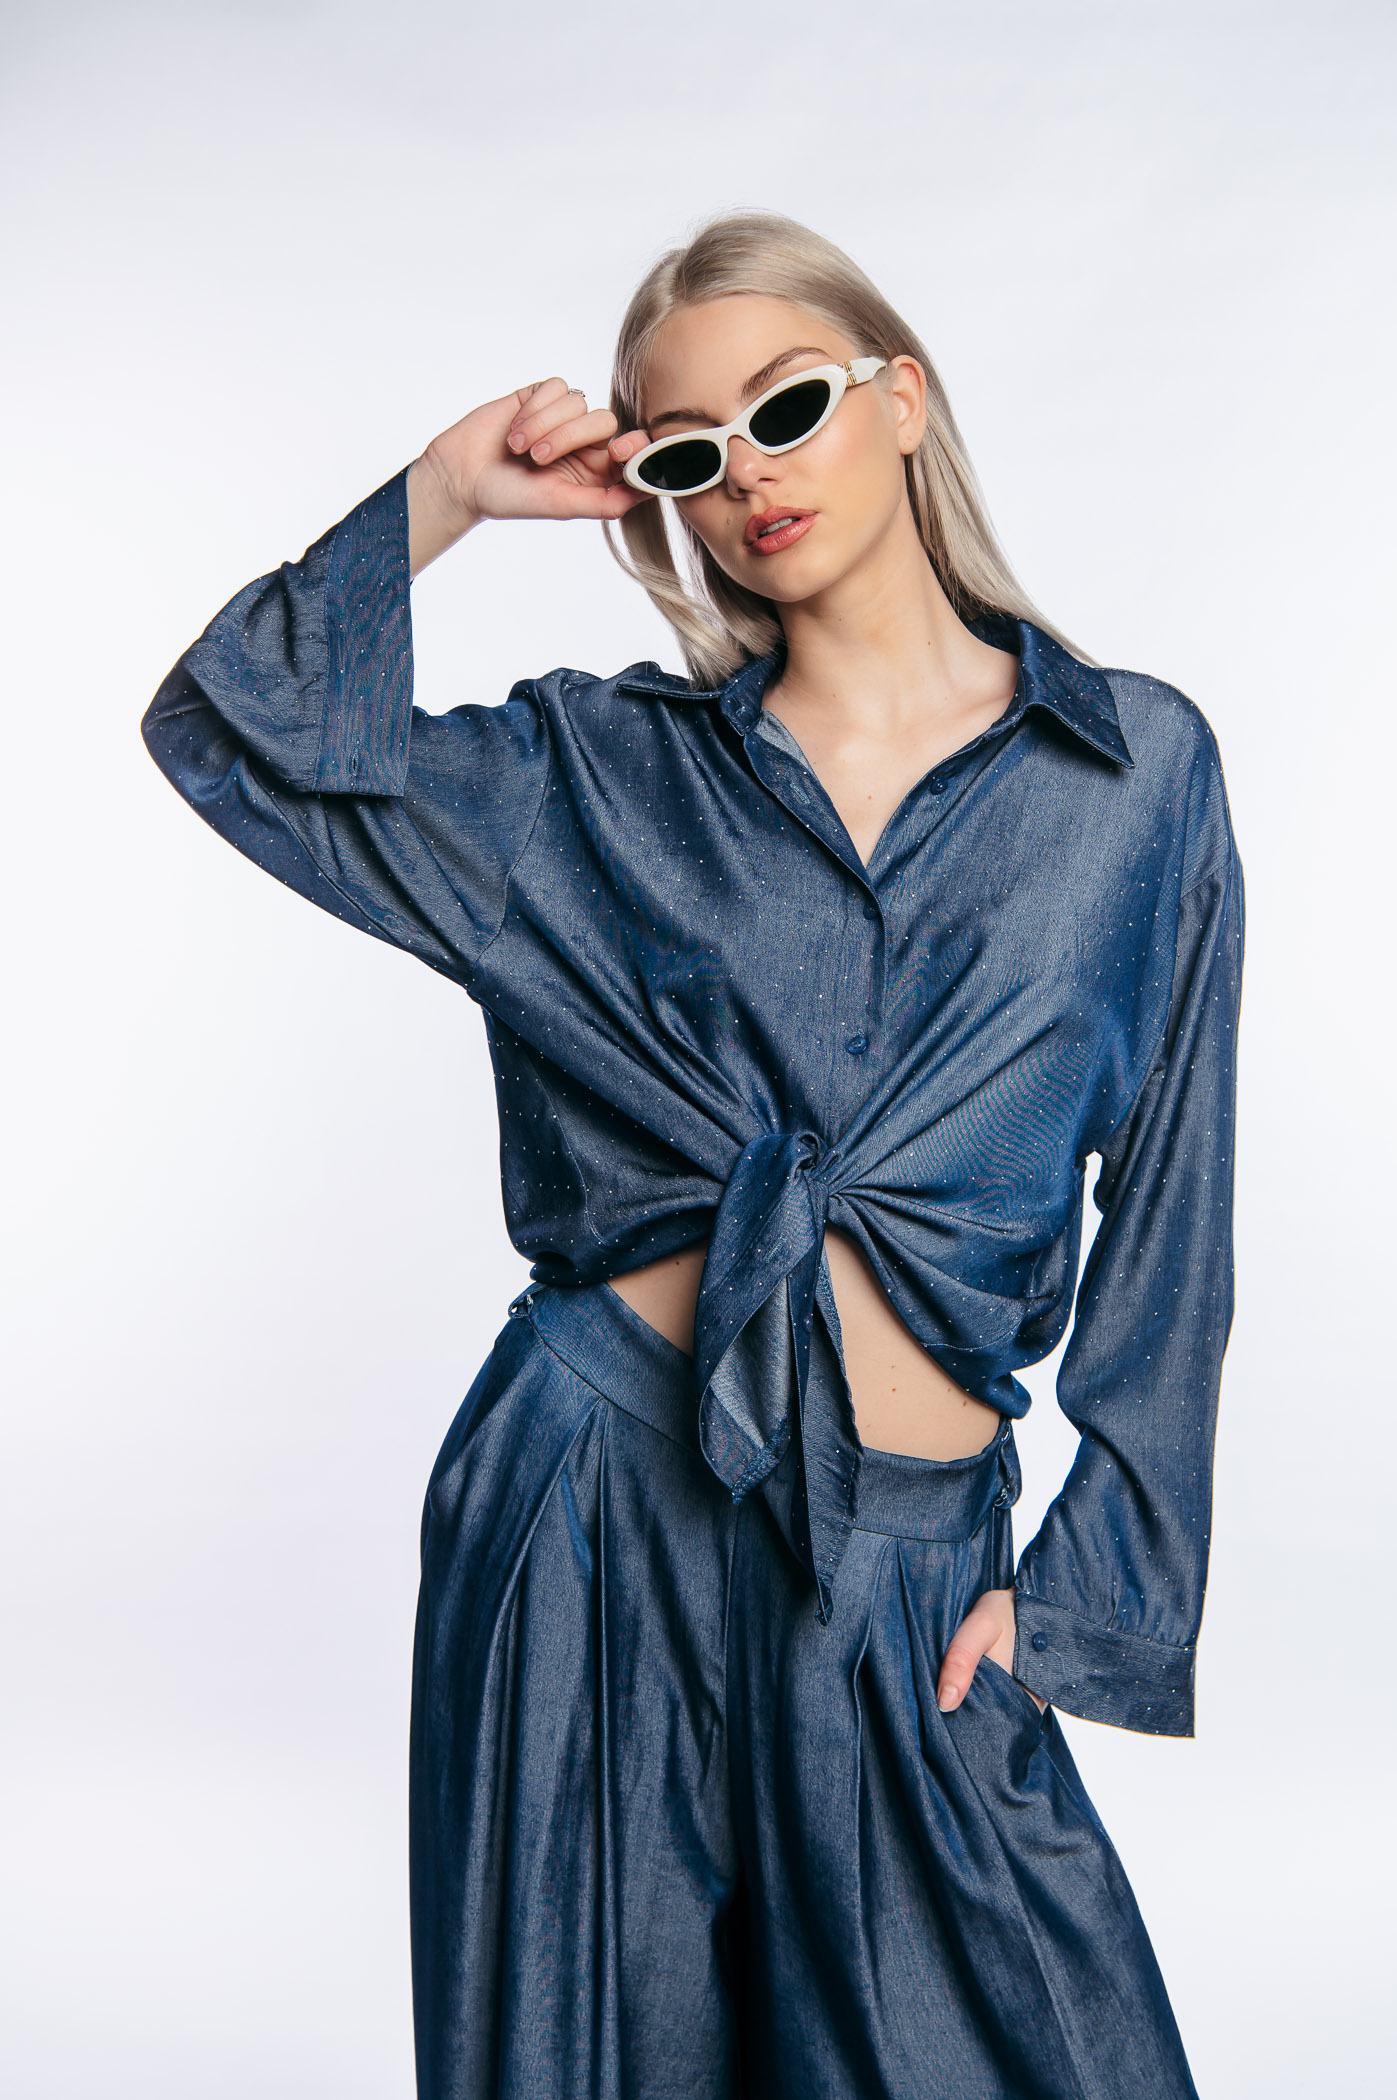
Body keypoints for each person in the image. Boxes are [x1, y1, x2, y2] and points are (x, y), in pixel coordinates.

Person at [143, 212, 1243, 2099]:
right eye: (682, 451)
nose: (745, 472)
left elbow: (1173, 1215)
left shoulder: (1133, 774)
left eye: (786, 407)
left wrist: (1080, 1606)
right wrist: (447, 492)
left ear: (903, 402)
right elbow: (232, 728)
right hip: (591, 1505)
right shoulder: (592, 777)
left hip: (904, 1558)